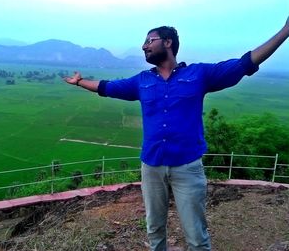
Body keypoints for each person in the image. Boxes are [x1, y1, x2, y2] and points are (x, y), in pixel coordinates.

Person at [64, 17, 289, 251]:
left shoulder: (199, 75)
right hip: (151, 166)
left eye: (149, 40)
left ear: (168, 42)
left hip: (187, 167)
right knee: (154, 229)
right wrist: (80, 82)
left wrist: (286, 30)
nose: (144, 46)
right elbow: (106, 87)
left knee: (196, 236)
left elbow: (245, 63)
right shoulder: (142, 81)